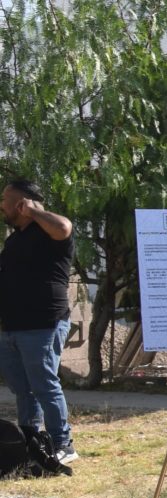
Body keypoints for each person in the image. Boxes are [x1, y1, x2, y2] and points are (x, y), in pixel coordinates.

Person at [0, 179, 77, 465]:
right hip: (11, 328)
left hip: (43, 324)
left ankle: (63, 444)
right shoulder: (14, 239)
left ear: (22, 203)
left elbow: (64, 227)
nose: (1, 205)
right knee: (23, 390)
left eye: (5, 199)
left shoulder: (51, 231)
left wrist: (34, 212)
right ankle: (31, 443)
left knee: (44, 385)